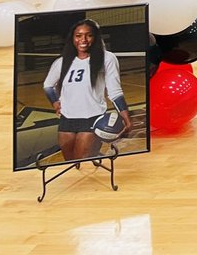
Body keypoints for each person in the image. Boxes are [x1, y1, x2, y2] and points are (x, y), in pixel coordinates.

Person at [42, 19, 133, 163]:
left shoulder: (107, 58)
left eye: (88, 35)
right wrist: (55, 102)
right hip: (67, 119)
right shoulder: (62, 62)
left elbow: (114, 92)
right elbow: (48, 85)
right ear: (72, 38)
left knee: (81, 161)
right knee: (70, 162)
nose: (83, 39)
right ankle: (97, 158)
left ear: (95, 37)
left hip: (93, 118)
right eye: (78, 35)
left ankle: (95, 158)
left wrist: (126, 118)